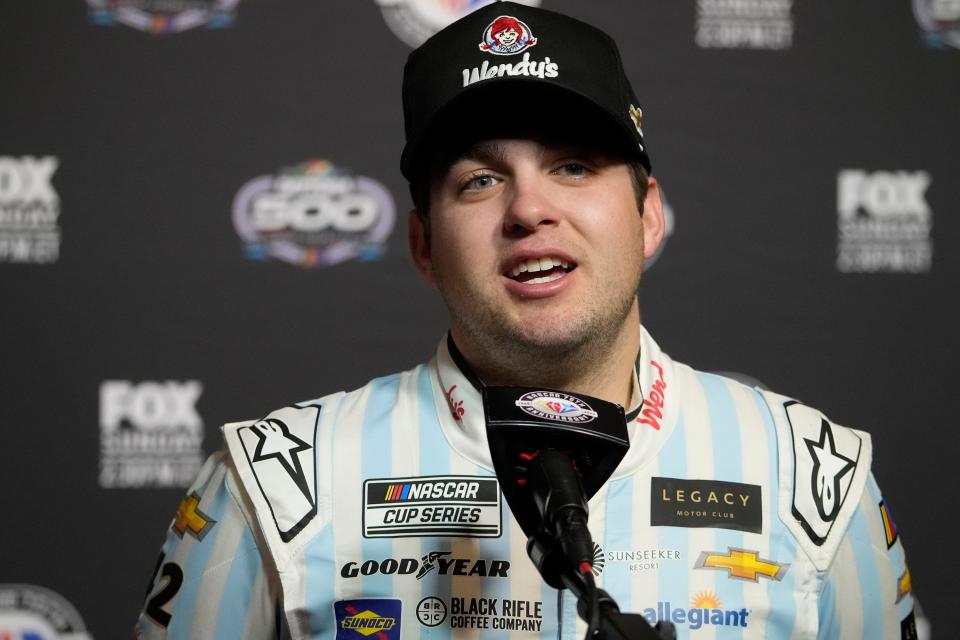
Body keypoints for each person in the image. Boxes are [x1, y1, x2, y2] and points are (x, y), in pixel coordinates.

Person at [136, 2, 916, 638]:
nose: (531, 210)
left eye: (574, 166)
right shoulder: (272, 482)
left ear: (648, 217)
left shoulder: (812, 476)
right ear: (422, 245)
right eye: (480, 180)